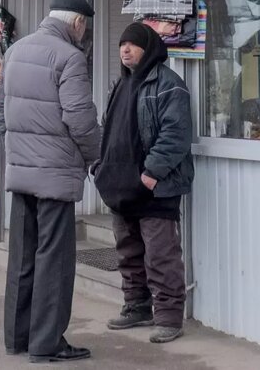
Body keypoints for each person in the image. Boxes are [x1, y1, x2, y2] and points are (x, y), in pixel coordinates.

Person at [0, 0, 101, 363]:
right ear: (76, 22)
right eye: (84, 26)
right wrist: (96, 155)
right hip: (55, 177)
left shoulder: (15, 51)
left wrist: (17, 152)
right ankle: (46, 344)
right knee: (54, 261)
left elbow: (1, 114)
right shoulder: (69, 57)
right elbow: (80, 118)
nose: (84, 33)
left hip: (21, 172)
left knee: (22, 258)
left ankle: (17, 338)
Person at [93, 22, 193, 344]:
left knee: (161, 253)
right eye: (122, 44)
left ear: (147, 48)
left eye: (132, 44)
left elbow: (175, 135)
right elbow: (108, 132)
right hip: (120, 185)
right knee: (128, 251)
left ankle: (168, 316)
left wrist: (150, 175)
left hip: (155, 187)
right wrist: (101, 167)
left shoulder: (169, 85)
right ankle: (136, 306)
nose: (125, 50)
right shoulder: (118, 86)